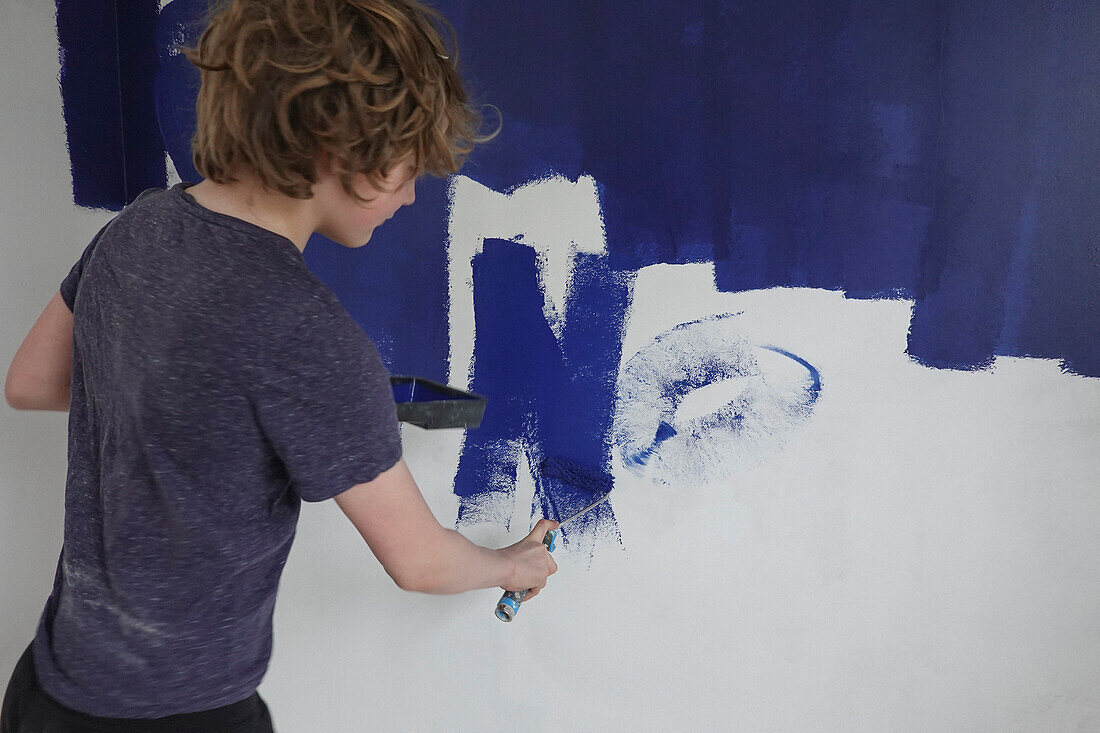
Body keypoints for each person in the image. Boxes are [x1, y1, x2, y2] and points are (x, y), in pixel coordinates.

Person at [1, 0, 558, 730]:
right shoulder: (309, 335)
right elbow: (419, 562)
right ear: (337, 152)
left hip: (45, 691)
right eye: (405, 167)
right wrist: (515, 565)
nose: (411, 194)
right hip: (182, 716)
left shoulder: (137, 227)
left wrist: (228, 409)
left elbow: (30, 383)